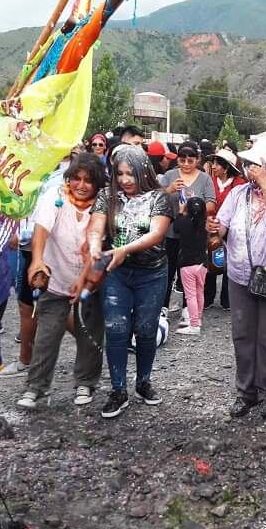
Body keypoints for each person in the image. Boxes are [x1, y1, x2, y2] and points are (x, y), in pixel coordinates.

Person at [207, 136, 266, 420]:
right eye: (247, 164)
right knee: (243, 335)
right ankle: (246, 393)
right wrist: (214, 231)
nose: (248, 169)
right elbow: (220, 230)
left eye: (254, 164)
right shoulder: (238, 195)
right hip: (239, 276)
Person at [87, 145, 174, 418]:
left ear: (143, 171)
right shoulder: (106, 196)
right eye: (120, 174)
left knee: (146, 329)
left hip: (152, 273)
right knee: (116, 329)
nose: (125, 179)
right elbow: (96, 227)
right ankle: (118, 390)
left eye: (131, 174)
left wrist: (124, 249)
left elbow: (157, 234)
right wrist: (93, 247)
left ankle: (143, 382)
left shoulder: (159, 197)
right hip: (117, 273)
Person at [17, 154, 107, 408]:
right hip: (54, 278)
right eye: (76, 178)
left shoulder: (103, 203)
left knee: (90, 334)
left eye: (88, 180)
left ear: (98, 183)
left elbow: (94, 243)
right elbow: (41, 229)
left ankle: (86, 383)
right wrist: (36, 260)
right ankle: (36, 387)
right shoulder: (55, 197)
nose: (81, 185)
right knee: (47, 335)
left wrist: (84, 280)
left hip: (90, 280)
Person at [161, 142, 217, 314]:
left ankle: (188, 306)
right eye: (182, 160)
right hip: (171, 230)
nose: (185, 164)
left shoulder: (205, 178)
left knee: (189, 271)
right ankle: (163, 305)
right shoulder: (170, 175)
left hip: (194, 234)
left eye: (190, 161)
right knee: (167, 270)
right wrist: (170, 189)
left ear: (197, 160)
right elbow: (156, 196)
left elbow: (211, 203)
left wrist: (195, 206)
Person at [204, 148, 245, 309]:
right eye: (213, 163)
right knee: (210, 260)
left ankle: (227, 300)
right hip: (210, 226)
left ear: (226, 167)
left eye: (217, 164)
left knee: (230, 262)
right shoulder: (209, 181)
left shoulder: (240, 185)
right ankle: (207, 297)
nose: (213, 166)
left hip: (232, 229)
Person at [173, 197, 209, 336]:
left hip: (187, 264)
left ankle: (194, 325)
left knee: (190, 296)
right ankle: (198, 320)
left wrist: (181, 212)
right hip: (202, 264)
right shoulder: (205, 223)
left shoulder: (183, 222)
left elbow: (175, 228)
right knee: (200, 292)